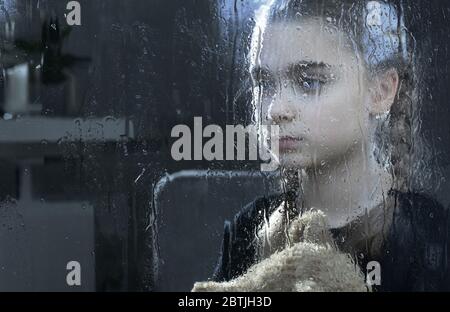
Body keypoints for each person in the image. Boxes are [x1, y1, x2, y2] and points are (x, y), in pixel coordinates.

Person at [193, 0, 450, 292]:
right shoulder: (250, 227)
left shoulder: (431, 234)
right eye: (264, 83)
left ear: (380, 91)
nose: (275, 109)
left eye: (309, 82)